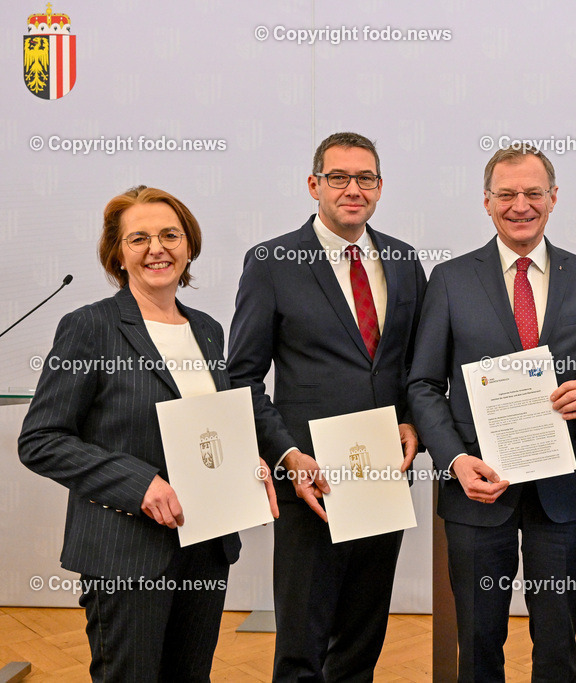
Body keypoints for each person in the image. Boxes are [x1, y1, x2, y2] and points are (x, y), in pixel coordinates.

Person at [19, 185, 279, 682]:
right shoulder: (90, 327)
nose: (157, 248)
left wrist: (248, 462)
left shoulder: (207, 329)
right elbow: (41, 439)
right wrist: (138, 484)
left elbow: (212, 428)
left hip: (205, 550)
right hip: (125, 551)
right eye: (138, 238)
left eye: (169, 235)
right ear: (117, 253)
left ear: (189, 245)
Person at [407, 144, 576, 681]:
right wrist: (453, 460)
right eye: (506, 194)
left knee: (557, 638)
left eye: (532, 193)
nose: (520, 205)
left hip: (562, 492)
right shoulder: (450, 280)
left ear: (553, 198)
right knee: (477, 639)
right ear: (486, 201)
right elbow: (424, 384)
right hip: (478, 486)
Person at [227, 132, 427, 681]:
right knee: (301, 642)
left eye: (365, 178)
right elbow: (241, 377)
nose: (352, 188)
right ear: (314, 184)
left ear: (380, 188)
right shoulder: (271, 262)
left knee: (363, 636)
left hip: (383, 473)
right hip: (309, 480)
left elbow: (416, 367)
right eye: (338, 177)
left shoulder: (406, 262)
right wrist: (287, 453)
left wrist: (413, 420)